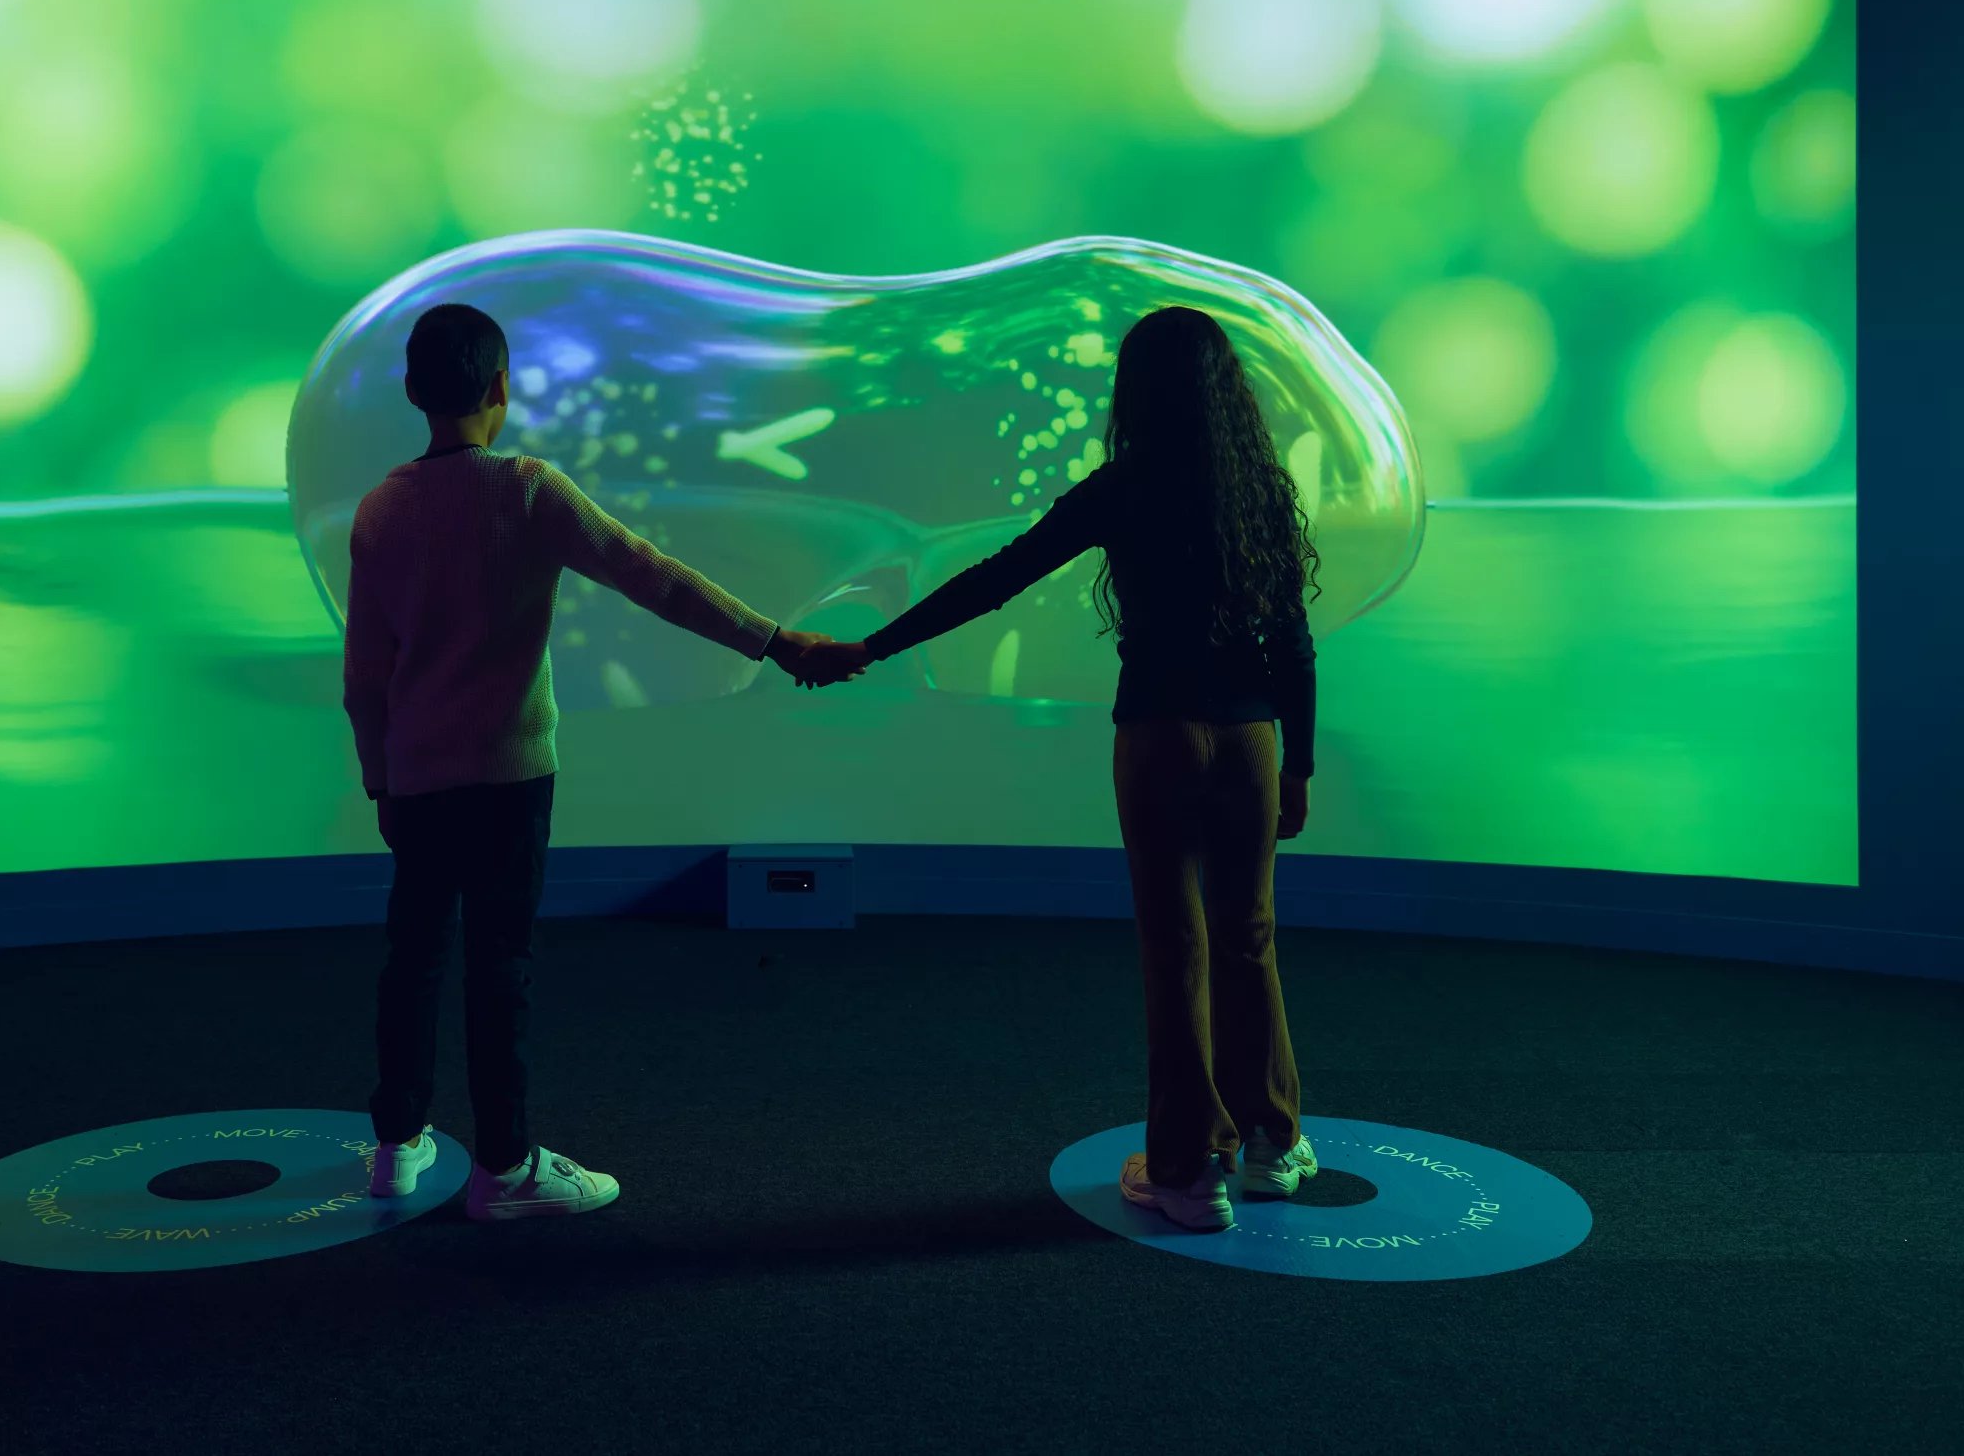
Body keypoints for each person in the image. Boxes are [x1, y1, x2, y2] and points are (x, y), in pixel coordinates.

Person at [796, 306, 1321, 1232]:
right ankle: (1275, 1142)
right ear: (1226, 394)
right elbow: (1296, 647)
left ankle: (1188, 1174)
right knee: (1250, 935)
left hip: (1157, 738)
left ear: (1137, 395)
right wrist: (1300, 765)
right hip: (1249, 740)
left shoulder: (1121, 489)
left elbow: (994, 577)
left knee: (1177, 949)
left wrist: (874, 645)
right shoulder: (1260, 494)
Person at [343, 302, 835, 1222]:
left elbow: (364, 673)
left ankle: (394, 1147)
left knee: (410, 958)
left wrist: (380, 774)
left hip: (413, 777)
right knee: (501, 964)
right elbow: (652, 575)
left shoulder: (379, 509)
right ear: (500, 387)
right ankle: (504, 1169)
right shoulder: (528, 489)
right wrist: (772, 640)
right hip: (508, 778)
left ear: (412, 392)